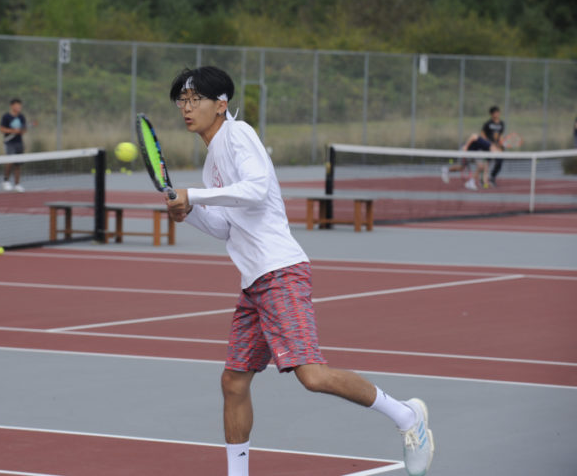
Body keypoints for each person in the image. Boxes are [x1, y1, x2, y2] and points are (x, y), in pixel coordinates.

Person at [164, 66, 435, 476]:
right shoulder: (211, 161)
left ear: (220, 104)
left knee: (312, 376)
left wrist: (195, 195)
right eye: (181, 101)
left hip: (281, 272)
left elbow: (255, 189)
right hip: (254, 283)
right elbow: (225, 226)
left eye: (194, 99)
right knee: (234, 382)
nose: (186, 108)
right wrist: (190, 213)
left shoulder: (238, 135)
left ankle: (408, 418)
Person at [0, 98, 27, 192]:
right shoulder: (6, 117)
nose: (19, 107)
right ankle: (6, 181)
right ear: (12, 106)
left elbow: (24, 130)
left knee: (18, 164)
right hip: (9, 142)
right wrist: (13, 131)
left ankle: (17, 184)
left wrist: (21, 131)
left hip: (19, 142)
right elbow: (1, 129)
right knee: (9, 161)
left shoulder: (21, 117)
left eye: (20, 106)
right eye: (16, 106)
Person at [481, 106, 505, 186]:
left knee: (499, 162)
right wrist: (489, 144)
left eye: (497, 112)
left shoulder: (501, 124)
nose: (496, 114)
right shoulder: (488, 123)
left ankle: (492, 178)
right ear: (491, 114)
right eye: (494, 113)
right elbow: (482, 135)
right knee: (487, 164)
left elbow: (501, 136)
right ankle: (484, 180)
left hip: (498, 148)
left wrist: (500, 145)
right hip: (489, 147)